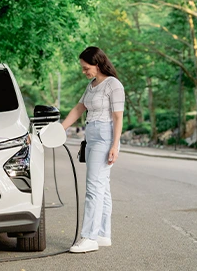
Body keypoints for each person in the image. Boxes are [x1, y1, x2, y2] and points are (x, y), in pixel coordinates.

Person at [61, 46, 125, 253]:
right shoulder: (91, 85)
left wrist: (115, 145)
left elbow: (117, 116)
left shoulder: (113, 85)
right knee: (102, 187)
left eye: (86, 67)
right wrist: (59, 129)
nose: (84, 71)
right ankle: (103, 234)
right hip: (91, 136)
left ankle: (89, 237)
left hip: (105, 137)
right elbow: (80, 108)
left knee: (93, 188)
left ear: (97, 65)